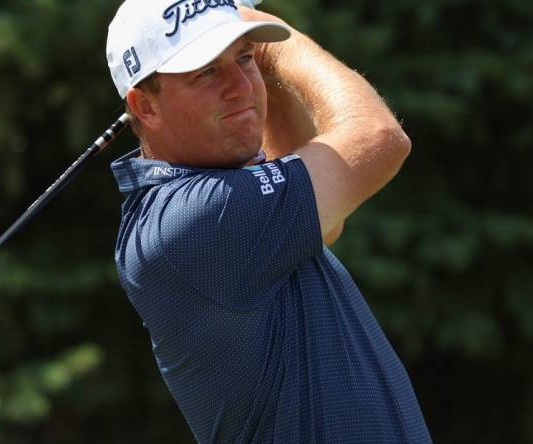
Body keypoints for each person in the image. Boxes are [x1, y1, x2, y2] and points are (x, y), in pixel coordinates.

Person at [106, 0, 432, 442]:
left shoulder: (207, 200)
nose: (241, 86)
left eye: (245, 58)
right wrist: (275, 39)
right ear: (144, 107)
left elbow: (326, 225)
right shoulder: (194, 220)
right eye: (206, 72)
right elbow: (378, 138)